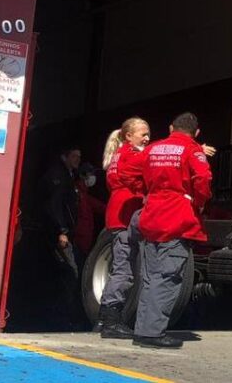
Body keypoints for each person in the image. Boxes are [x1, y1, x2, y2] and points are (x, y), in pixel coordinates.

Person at [134, 112, 212, 349]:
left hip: (151, 215)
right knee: (168, 277)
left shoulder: (153, 148)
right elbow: (203, 179)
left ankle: (143, 329)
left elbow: (137, 175)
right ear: (196, 132)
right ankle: (153, 332)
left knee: (149, 277)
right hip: (177, 216)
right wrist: (198, 203)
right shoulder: (192, 149)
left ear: (170, 128)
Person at [95, 117, 150, 339]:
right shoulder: (132, 155)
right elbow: (152, 160)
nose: (147, 138)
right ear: (128, 136)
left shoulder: (119, 156)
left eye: (148, 134)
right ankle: (110, 320)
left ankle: (105, 319)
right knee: (124, 270)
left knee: (122, 267)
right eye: (143, 134)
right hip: (125, 216)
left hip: (119, 214)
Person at [39, 146, 83, 326]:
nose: (77, 160)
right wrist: (62, 231)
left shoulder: (69, 176)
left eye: (79, 157)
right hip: (57, 232)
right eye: (74, 156)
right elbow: (54, 205)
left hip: (60, 230)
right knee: (69, 271)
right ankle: (64, 317)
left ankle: (61, 315)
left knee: (63, 271)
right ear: (64, 157)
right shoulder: (59, 175)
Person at [73, 162, 106, 255]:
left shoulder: (85, 195)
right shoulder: (76, 194)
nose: (93, 177)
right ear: (82, 175)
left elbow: (100, 207)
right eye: (90, 174)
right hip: (79, 240)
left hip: (85, 240)